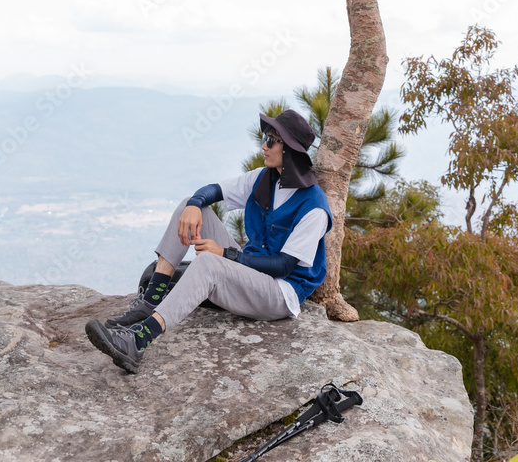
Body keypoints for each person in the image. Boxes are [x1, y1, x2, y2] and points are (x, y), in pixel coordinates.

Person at [84, 108, 332, 373]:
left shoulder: (314, 206)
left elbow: (283, 266)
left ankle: (137, 341)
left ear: (289, 150)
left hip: (280, 293)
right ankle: (152, 301)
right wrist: (194, 203)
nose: (264, 146)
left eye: (271, 140)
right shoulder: (265, 178)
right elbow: (213, 191)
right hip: (251, 269)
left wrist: (226, 254)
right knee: (189, 207)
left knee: (209, 264)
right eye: (265, 137)